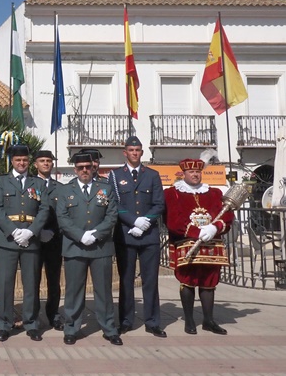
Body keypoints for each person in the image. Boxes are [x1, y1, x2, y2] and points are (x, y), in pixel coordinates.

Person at [56, 152, 120, 346]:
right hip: (75, 247)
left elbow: (112, 216)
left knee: (104, 291)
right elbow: (63, 218)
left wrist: (95, 234)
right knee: (74, 291)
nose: (85, 170)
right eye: (80, 167)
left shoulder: (106, 189)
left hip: (100, 246)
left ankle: (109, 328)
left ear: (94, 168)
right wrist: (80, 235)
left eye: (88, 167)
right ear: (75, 169)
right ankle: (71, 328)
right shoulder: (65, 190)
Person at [164, 158, 234, 335]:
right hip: (186, 243)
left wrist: (215, 227)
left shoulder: (214, 193)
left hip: (211, 243)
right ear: (184, 173)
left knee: (209, 281)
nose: (195, 175)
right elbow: (173, 220)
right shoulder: (173, 193)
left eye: (198, 172)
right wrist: (195, 232)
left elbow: (227, 217)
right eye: (191, 172)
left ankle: (208, 320)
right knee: (188, 280)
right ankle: (189, 320)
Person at [109, 136, 166, 338]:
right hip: (126, 235)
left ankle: (152, 322)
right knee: (126, 280)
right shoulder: (115, 176)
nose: (135, 153)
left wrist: (146, 221)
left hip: (149, 236)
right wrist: (133, 222)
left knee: (151, 280)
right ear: (125, 152)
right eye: (131, 150)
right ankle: (125, 321)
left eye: (138, 150)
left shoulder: (152, 175)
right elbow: (114, 204)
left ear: (142, 153)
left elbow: (159, 203)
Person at [0, 144, 49, 342]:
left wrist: (30, 231)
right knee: (5, 284)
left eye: (24, 160)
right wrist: (14, 230)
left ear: (29, 162)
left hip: (30, 239)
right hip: (8, 239)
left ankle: (31, 323)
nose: (21, 163)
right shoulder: (1, 182)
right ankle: (4, 324)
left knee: (31, 283)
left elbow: (44, 210)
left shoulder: (38, 183)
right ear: (12, 162)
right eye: (18, 160)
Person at [32, 149, 64, 331]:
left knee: (54, 280)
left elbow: (63, 214)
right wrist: (36, 231)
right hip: (34, 239)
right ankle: (33, 316)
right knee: (33, 279)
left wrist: (52, 231)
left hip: (54, 240)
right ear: (35, 164)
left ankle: (54, 315)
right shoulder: (29, 184)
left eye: (49, 161)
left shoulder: (60, 188)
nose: (46, 163)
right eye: (42, 160)